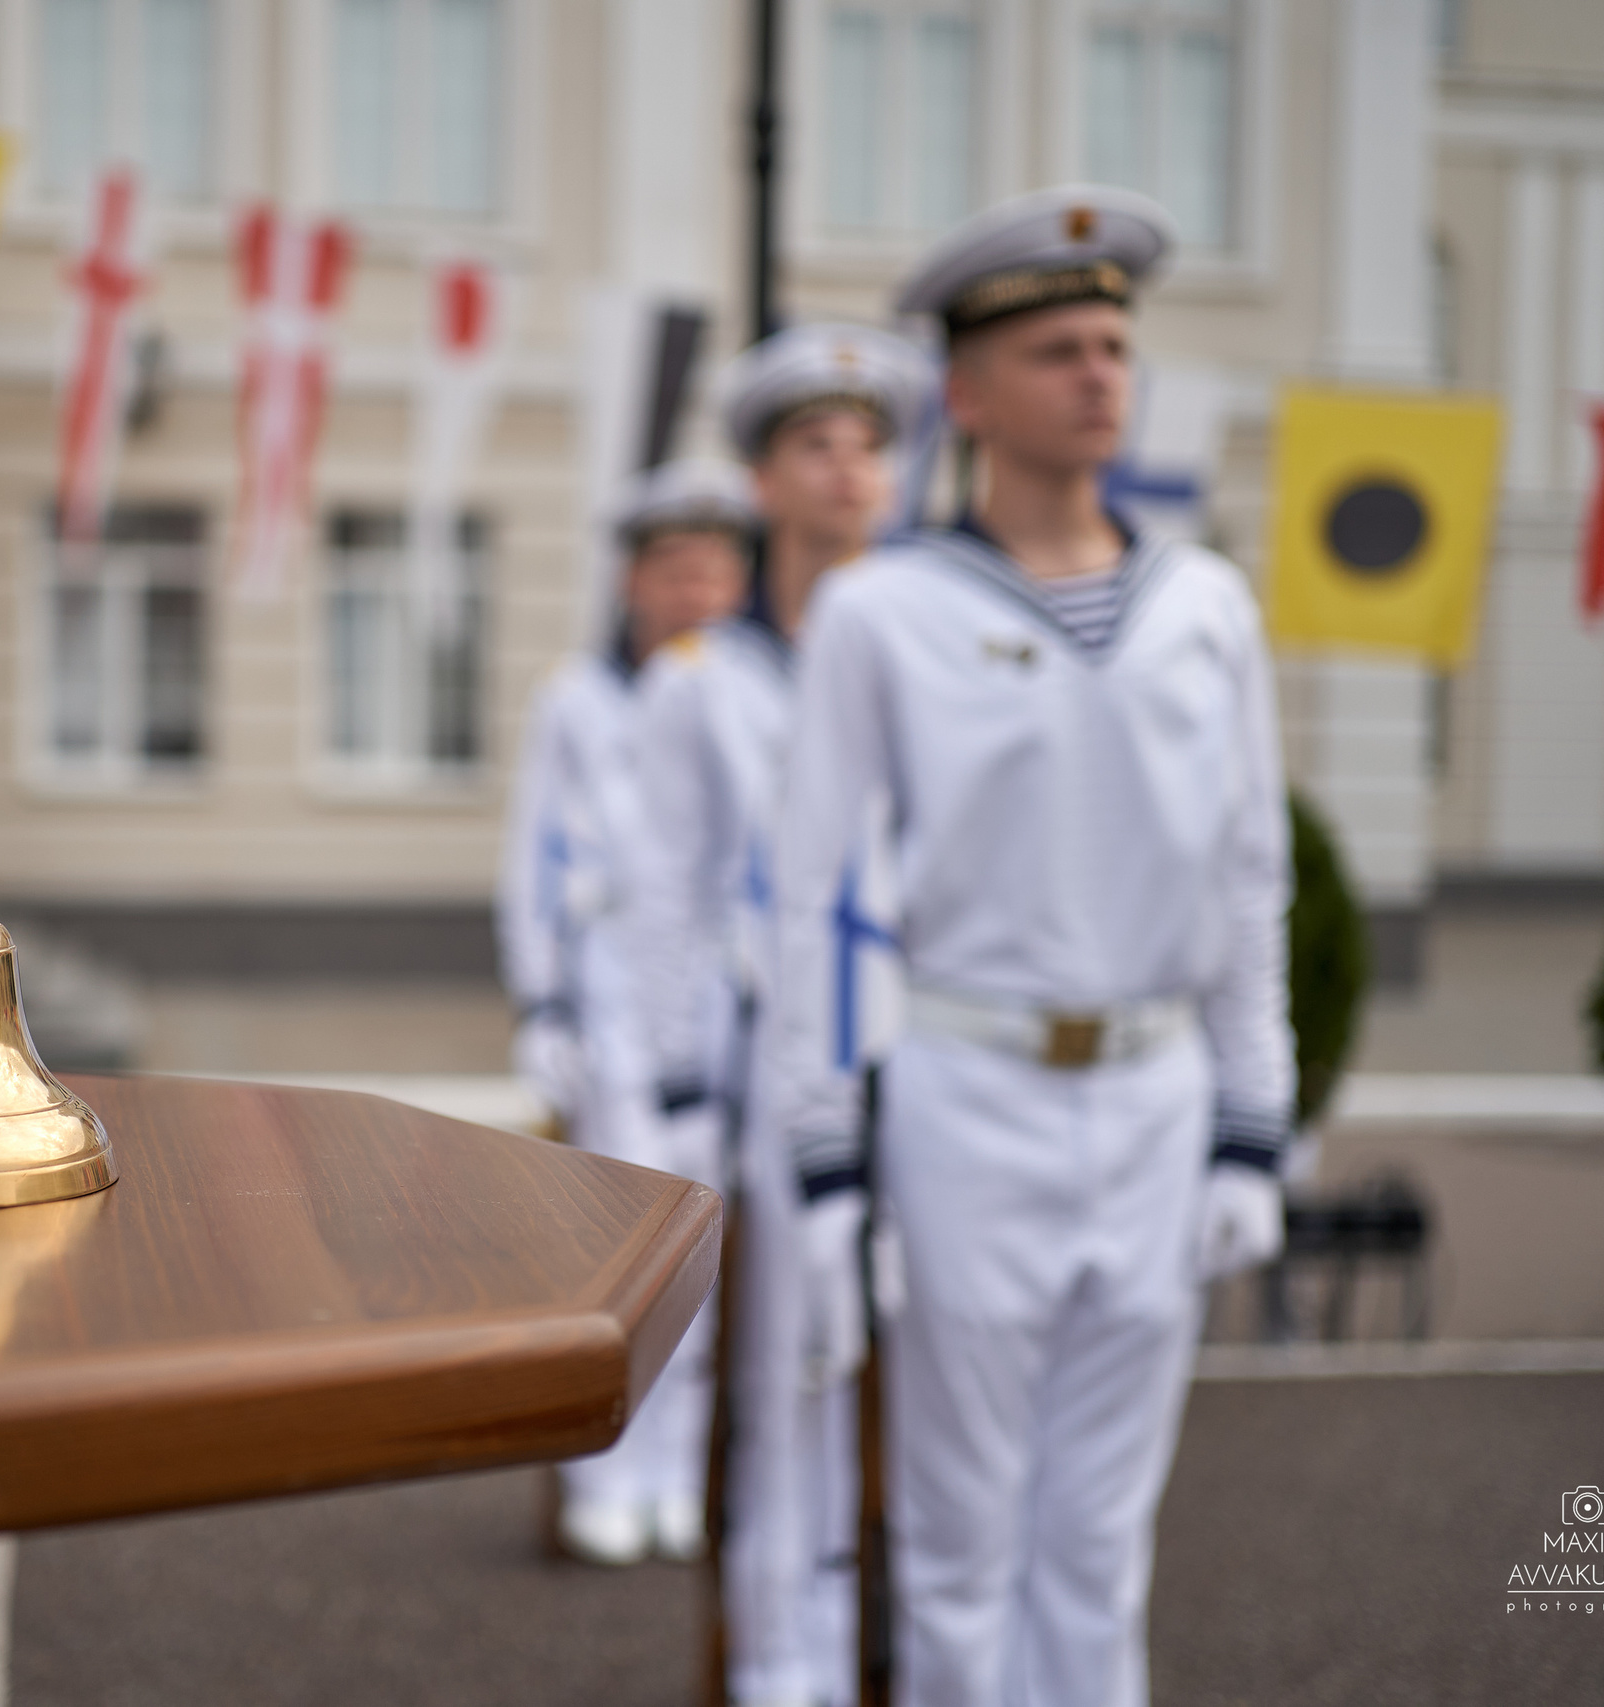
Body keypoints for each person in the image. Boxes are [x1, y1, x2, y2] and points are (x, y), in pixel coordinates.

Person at [763, 185, 1293, 1707]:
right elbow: (815, 899)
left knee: (1102, 1536)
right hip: (968, 1091)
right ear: (972, 394)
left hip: (1155, 1094)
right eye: (1060, 347)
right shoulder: (886, 611)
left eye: (1116, 343)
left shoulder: (1207, 608)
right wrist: (820, 1153)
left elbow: (1252, 876)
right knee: (957, 1535)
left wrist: (1255, 1122)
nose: (1100, 373)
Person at [624, 323, 929, 1707]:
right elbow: (672, 894)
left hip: (934, 1064)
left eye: (869, 443)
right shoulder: (706, 682)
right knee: (784, 1386)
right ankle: (778, 1663)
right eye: (818, 443)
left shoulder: (933, 653)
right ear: (763, 477)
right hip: (777, 1069)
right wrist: (686, 1079)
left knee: (929, 1384)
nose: (851, 469)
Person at [498, 457, 755, 1566]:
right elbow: (534, 858)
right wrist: (541, 998)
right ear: (632, 581)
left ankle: (678, 1479)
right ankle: (605, 1478)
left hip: (722, 1011)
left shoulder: (749, 693)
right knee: (612, 1256)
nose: (695, 592)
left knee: (706, 1253)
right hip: (607, 1005)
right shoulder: (578, 698)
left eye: (714, 569)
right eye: (674, 569)